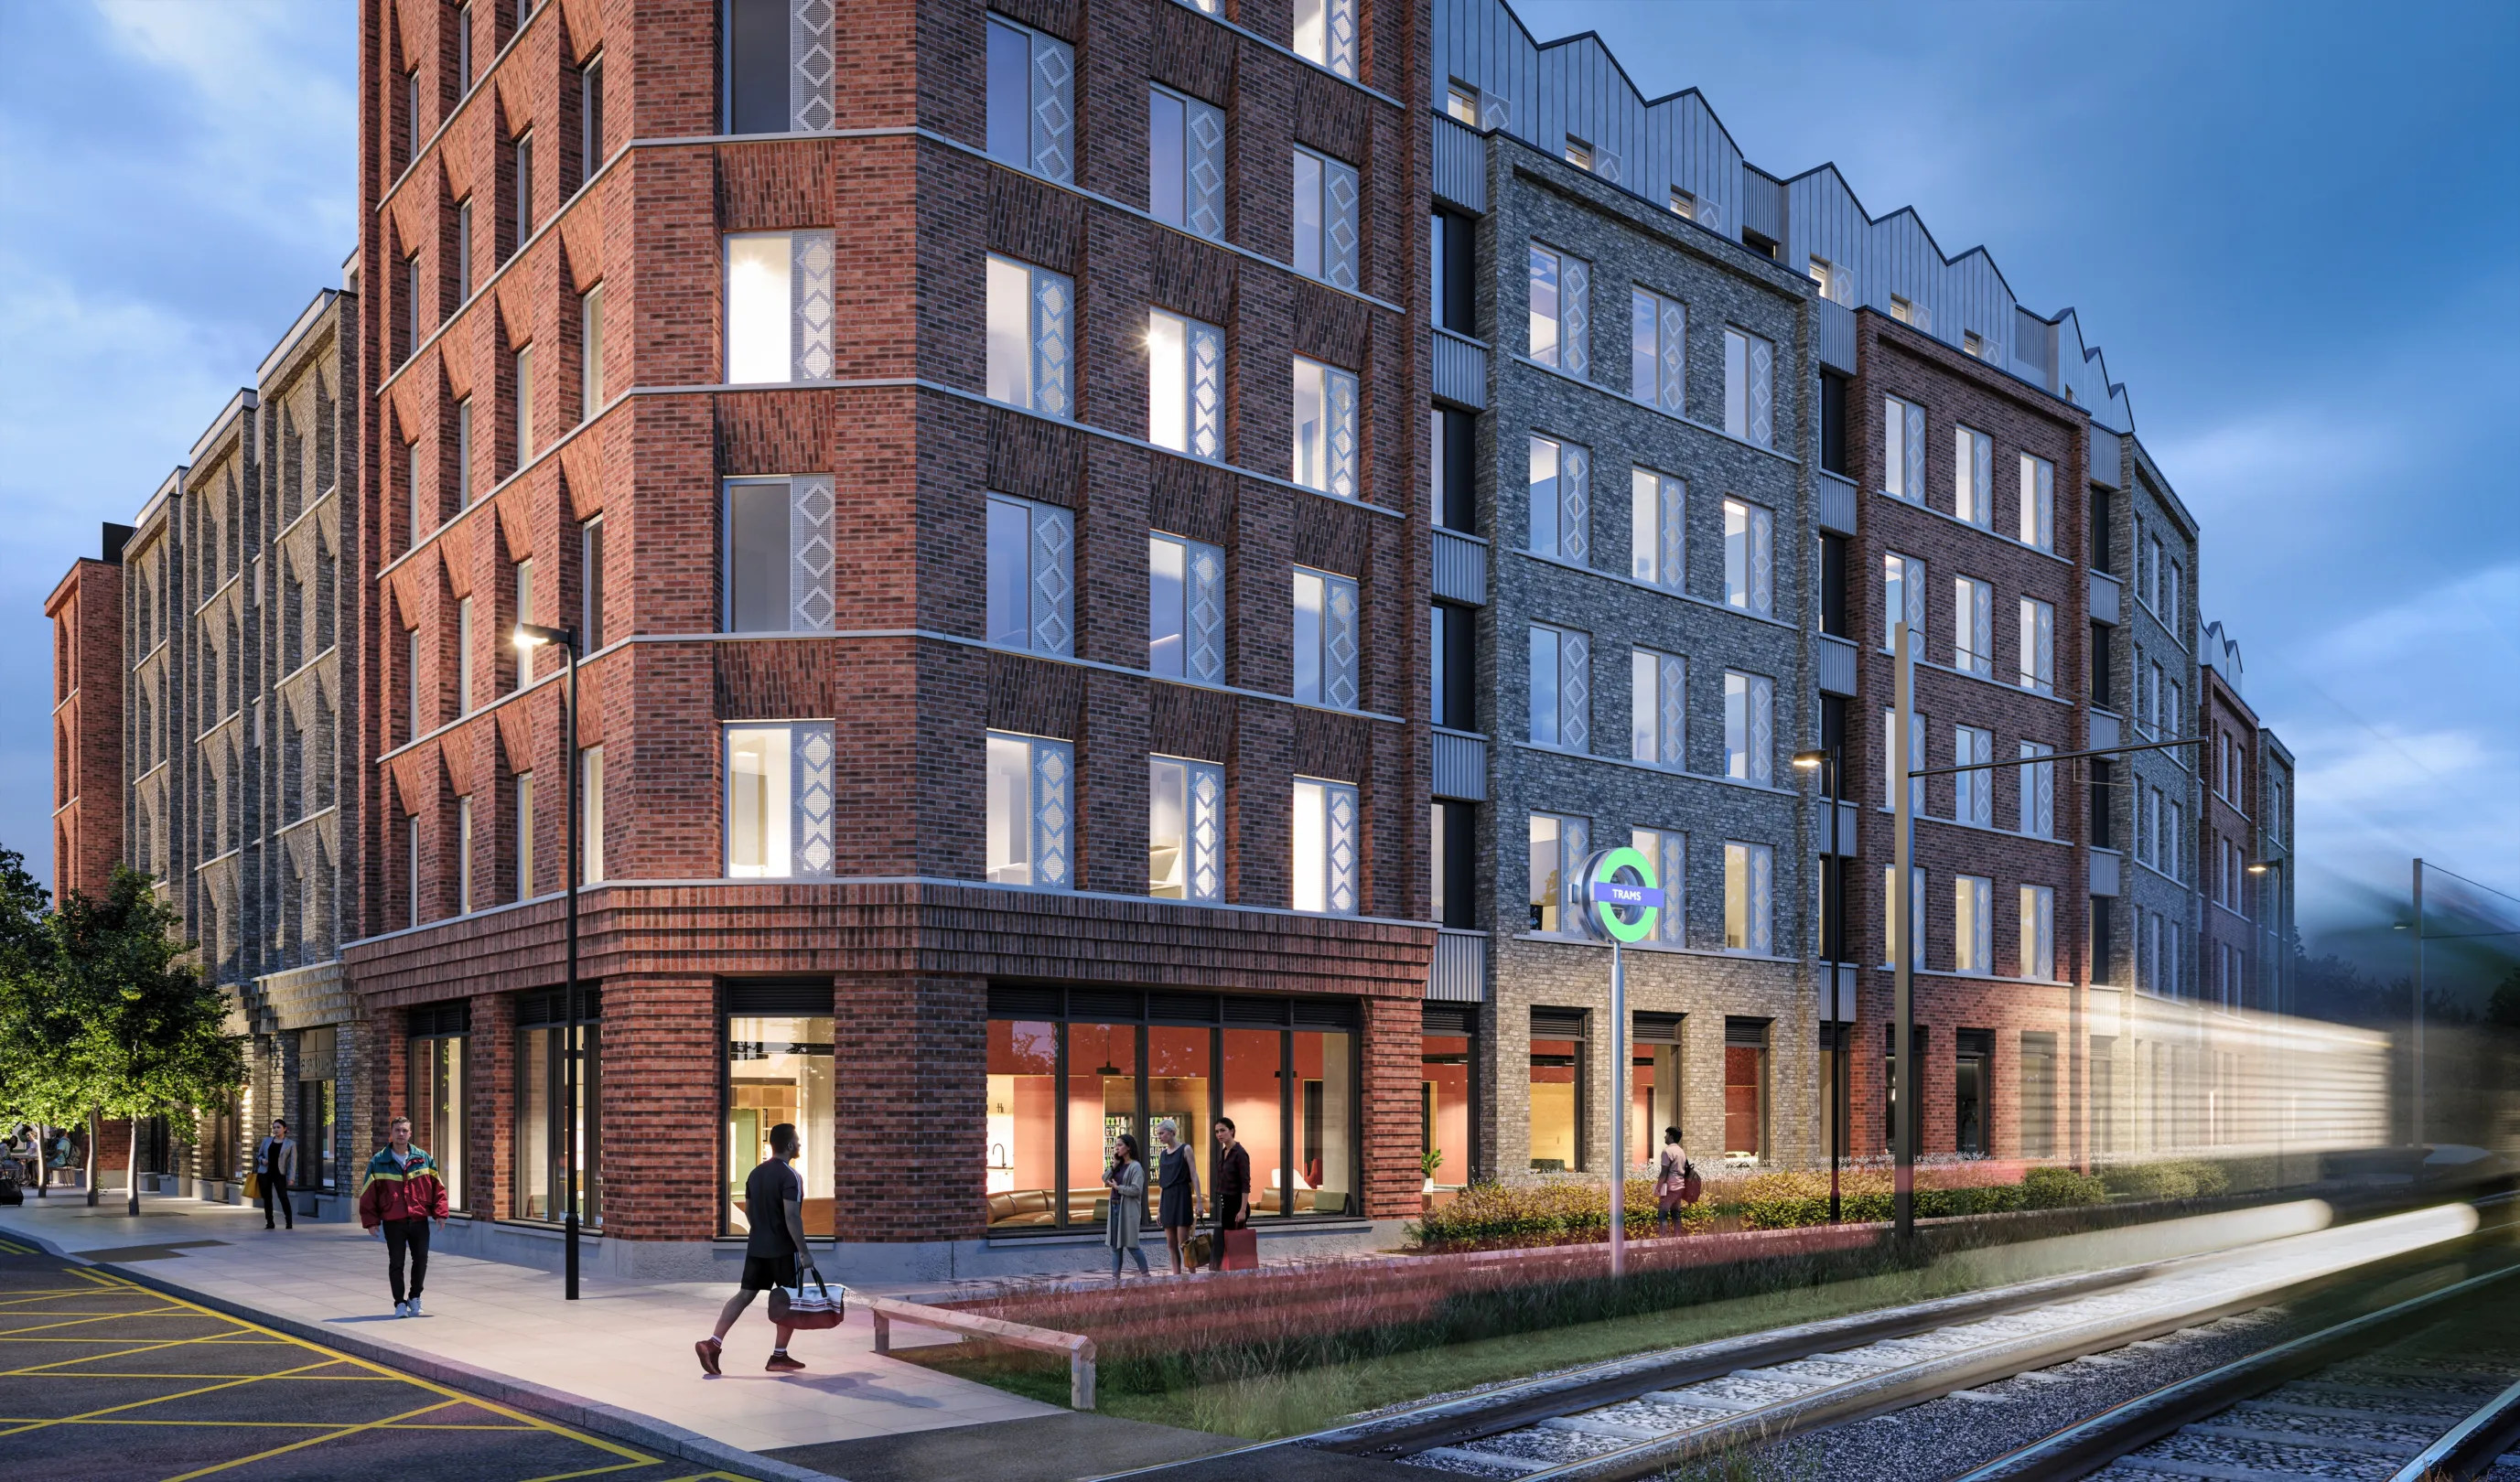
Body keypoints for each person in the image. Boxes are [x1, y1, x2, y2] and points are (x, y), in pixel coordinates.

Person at [697, 1122, 817, 1376]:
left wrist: (762, 1231)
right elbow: (792, 1218)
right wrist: (804, 1251)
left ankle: (713, 1343)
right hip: (784, 1250)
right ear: (788, 1145)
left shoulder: (755, 1173)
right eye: (797, 1141)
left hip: (757, 1246)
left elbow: (750, 1212)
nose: (799, 1145)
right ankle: (779, 1356)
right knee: (789, 1300)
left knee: (744, 1295)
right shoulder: (790, 1176)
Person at [357, 1116, 449, 1318]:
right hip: (393, 1221)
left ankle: (415, 1297)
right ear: (391, 1133)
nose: (401, 1134)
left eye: (404, 1131)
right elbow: (368, 1194)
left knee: (421, 1260)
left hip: (418, 1220)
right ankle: (399, 1303)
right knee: (396, 1262)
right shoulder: (379, 1161)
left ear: (410, 1133)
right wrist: (371, 1222)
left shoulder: (423, 1158)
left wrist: (440, 1213)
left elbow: (438, 1189)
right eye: (397, 1130)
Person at [1153, 1120, 1202, 1273]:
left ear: (1172, 1132)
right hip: (1167, 1198)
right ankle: (1177, 1277)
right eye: (1158, 1134)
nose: (1159, 1137)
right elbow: (1162, 1183)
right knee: (1170, 1243)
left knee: (1183, 1242)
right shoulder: (1162, 1154)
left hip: (1182, 1195)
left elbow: (1194, 1175)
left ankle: (1193, 1277)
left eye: (1162, 1133)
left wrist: (1199, 1202)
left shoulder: (1185, 1149)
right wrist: (1159, 1209)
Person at [1104, 1133, 1149, 1281]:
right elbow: (1105, 1179)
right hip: (1115, 1208)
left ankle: (1146, 1275)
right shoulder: (1119, 1165)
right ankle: (1115, 1279)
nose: (1117, 1147)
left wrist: (1118, 1188)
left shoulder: (1136, 1167)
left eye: (1120, 1145)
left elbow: (1137, 1190)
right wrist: (1114, 1165)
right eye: (1116, 1145)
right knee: (1115, 1247)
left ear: (1128, 1147)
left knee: (1132, 1245)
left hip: (1128, 1210)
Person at [1209, 1117, 1251, 1272]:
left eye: (1223, 1130)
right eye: (1217, 1131)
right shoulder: (1224, 1152)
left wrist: (1242, 1210)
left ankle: (1239, 1278)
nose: (1219, 1134)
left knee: (1235, 1245)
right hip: (1225, 1203)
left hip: (1237, 1204)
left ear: (1232, 1131)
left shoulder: (1240, 1153)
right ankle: (1229, 1276)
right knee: (1227, 1244)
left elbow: (1245, 1183)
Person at [253, 1118, 297, 1230]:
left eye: (278, 1127)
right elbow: (259, 1155)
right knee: (267, 1198)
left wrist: (291, 1178)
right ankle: (269, 1222)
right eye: (274, 1127)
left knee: (283, 1197)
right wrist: (262, 1160)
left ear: (285, 1129)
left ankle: (289, 1221)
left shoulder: (291, 1144)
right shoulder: (267, 1141)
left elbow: (293, 1162)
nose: (276, 1130)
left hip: (279, 1173)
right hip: (265, 1173)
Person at [1653, 1127, 1692, 1235]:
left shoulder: (1667, 1151)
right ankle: (1677, 1239)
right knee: (1676, 1215)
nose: (1665, 1137)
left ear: (1671, 1137)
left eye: (1666, 1135)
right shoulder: (1681, 1151)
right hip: (1680, 1187)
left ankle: (1663, 1241)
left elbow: (1664, 1173)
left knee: (1662, 1215)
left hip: (1670, 1188)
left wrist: (1657, 1188)